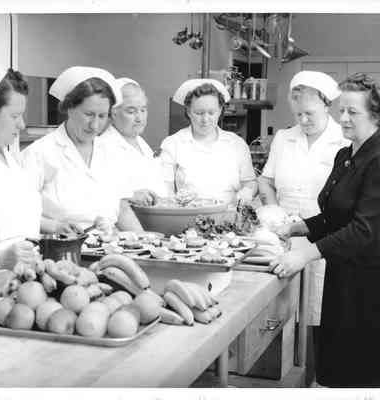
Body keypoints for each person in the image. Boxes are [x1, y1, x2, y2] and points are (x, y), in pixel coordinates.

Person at [271, 72, 380, 387]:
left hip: (368, 284)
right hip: (341, 274)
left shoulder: (377, 159)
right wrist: (296, 227)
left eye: (353, 112)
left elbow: (363, 229)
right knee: (333, 360)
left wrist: (307, 253)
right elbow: (333, 215)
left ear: (375, 115)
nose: (343, 119)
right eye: (341, 110)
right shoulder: (346, 154)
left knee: (359, 369)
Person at [258, 70, 349, 381]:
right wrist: (271, 208)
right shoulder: (285, 138)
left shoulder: (344, 140)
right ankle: (288, 375)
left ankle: (315, 377)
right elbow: (267, 180)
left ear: (327, 105)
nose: (303, 120)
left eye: (309, 113)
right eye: (298, 113)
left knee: (319, 313)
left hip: (325, 236)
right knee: (284, 311)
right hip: (284, 234)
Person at [21, 66, 143, 234]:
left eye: (102, 116)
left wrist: (144, 240)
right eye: (89, 114)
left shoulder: (112, 152)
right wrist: (55, 227)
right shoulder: (39, 153)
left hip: (109, 247)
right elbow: (20, 214)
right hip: (61, 250)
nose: (95, 125)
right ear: (70, 108)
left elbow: (122, 209)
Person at [0, 60, 38, 271]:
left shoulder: (9, 157)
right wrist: (0, 257)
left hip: (20, 288)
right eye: (14, 116)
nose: (21, 125)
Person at [160, 78, 257, 205]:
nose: (205, 119)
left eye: (211, 113)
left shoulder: (236, 144)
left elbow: (250, 182)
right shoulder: (172, 144)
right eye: (199, 113)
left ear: (220, 111)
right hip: (187, 217)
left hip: (230, 216)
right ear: (188, 111)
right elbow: (165, 189)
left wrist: (247, 192)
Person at [101, 77, 166, 206]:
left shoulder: (141, 142)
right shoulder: (103, 146)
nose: (139, 118)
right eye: (131, 111)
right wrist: (131, 195)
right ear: (114, 113)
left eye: (143, 110)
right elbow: (100, 192)